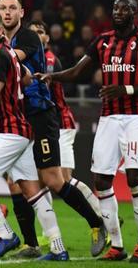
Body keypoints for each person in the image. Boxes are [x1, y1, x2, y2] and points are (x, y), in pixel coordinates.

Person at [0, 0, 106, 259]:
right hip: (19, 118)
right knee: (21, 185)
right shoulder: (0, 48)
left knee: (54, 180)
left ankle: (96, 223)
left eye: (12, 8)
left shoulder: (26, 38)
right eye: (2, 8)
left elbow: (7, 60)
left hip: (40, 115)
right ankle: (34, 244)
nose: (7, 12)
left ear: (21, 12)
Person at [39, 0, 138, 263]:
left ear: (134, 13)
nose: (118, 12)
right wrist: (52, 76)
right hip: (108, 118)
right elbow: (76, 71)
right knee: (101, 181)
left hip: (136, 117)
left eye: (124, 8)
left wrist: (126, 89)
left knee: (133, 178)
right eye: (115, 8)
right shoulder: (102, 40)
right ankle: (117, 246)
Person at [0, 11, 69, 261]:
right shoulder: (8, 52)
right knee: (33, 191)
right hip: (22, 130)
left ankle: (6, 234)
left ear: (0, 29)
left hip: (9, 130)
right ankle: (59, 247)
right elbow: (28, 79)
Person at [28, 20, 101, 212]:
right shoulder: (32, 58)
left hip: (60, 123)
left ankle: (102, 214)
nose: (36, 35)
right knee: (41, 178)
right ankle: (48, 231)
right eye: (32, 32)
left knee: (63, 178)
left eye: (40, 31)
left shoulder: (48, 60)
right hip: (45, 125)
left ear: (47, 38)